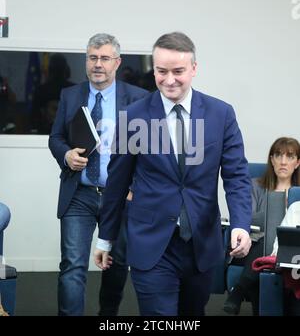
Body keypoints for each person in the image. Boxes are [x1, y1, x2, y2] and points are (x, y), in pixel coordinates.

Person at [94, 31, 252, 316]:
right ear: (153, 69)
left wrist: (240, 223)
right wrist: (105, 238)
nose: (169, 80)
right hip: (151, 243)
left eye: (178, 71)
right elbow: (117, 183)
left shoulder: (220, 114)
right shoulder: (133, 116)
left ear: (194, 68)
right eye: (161, 71)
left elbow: (237, 175)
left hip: (200, 244)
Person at [48, 33, 148, 316]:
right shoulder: (70, 95)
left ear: (117, 62)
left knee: (115, 266)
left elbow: (149, 151)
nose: (98, 64)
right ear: (86, 61)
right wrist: (66, 155)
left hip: (120, 198)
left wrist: (136, 187)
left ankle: (108, 317)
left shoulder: (138, 99)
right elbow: (55, 137)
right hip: (79, 193)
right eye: (93, 58)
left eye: (105, 58)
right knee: (72, 265)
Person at [223, 137, 300, 315]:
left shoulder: (298, 196)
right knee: (266, 240)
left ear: (297, 163)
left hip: (286, 253)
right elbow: (246, 219)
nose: (283, 161)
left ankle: (238, 291)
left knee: (274, 246)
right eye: (278, 155)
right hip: (250, 246)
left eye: (289, 156)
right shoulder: (254, 186)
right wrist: (280, 210)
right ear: (271, 159)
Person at [31, 53, 74, 134]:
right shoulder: (73, 89)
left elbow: (34, 118)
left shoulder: (41, 90)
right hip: (67, 134)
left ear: (50, 70)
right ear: (66, 69)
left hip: (44, 134)